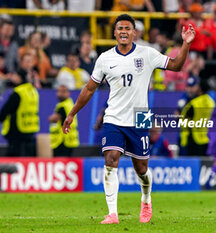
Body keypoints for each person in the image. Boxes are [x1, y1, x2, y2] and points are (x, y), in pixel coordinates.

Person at [61, 14, 195, 224]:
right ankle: (112, 213)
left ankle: (146, 199)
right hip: (113, 116)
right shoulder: (105, 58)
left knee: (141, 169)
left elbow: (176, 66)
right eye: (120, 28)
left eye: (127, 28)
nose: (123, 31)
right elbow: (89, 88)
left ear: (134, 32)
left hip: (141, 117)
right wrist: (72, 113)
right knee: (111, 158)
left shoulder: (148, 54)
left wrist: (186, 44)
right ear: (114, 33)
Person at [0, 70, 39, 157]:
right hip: (30, 128)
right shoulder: (33, 91)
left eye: (14, 75)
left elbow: (8, 108)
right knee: (27, 156)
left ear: (19, 77)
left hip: (17, 129)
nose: (12, 77)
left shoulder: (19, 92)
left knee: (14, 156)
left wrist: (0, 118)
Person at [180, 79, 215, 156]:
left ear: (200, 89)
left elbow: (183, 118)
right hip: (206, 138)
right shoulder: (211, 102)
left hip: (193, 138)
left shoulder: (194, 103)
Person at [49, 85, 79, 157]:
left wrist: (50, 118)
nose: (60, 94)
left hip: (62, 140)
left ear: (68, 93)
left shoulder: (63, 106)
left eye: (63, 91)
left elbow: (54, 118)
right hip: (70, 139)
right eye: (58, 91)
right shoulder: (70, 103)